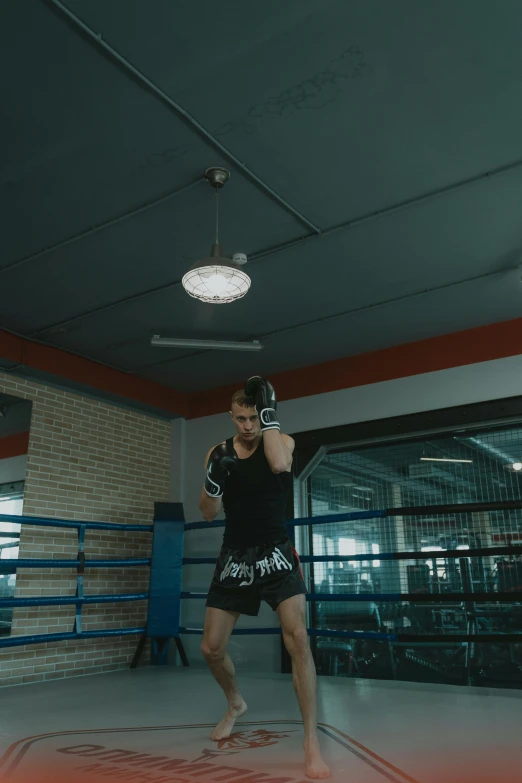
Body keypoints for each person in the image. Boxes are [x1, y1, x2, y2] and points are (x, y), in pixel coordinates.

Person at [198, 376, 331, 780]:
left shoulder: (281, 441)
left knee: (299, 640)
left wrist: (269, 413)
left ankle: (311, 742)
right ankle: (236, 702)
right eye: (241, 418)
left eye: (254, 417)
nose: (248, 426)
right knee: (210, 648)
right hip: (235, 556)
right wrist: (212, 478)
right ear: (231, 417)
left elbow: (278, 464)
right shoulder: (218, 452)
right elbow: (206, 512)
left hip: (276, 551)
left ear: (264, 415)